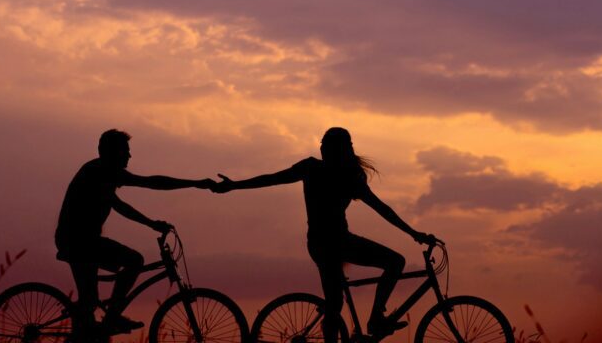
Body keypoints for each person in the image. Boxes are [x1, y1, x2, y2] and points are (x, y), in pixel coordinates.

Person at [211, 127, 437, 341]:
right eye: (323, 144)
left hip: (322, 243)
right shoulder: (332, 173)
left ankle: (367, 322)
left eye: (326, 145)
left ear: (335, 150)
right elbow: (271, 179)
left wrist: (234, 186)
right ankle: (376, 318)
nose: (322, 148)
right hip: (335, 242)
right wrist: (414, 233)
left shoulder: (328, 172)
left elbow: (382, 209)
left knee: (335, 303)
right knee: (394, 262)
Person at [55, 129, 214, 334]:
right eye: (125, 151)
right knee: (133, 261)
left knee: (89, 304)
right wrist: (195, 183)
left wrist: (151, 223)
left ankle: (96, 325)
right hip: (78, 242)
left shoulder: (101, 174)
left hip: (82, 241)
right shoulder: (100, 171)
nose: (129, 156)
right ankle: (111, 317)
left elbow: (119, 205)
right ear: (112, 152)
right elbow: (151, 183)